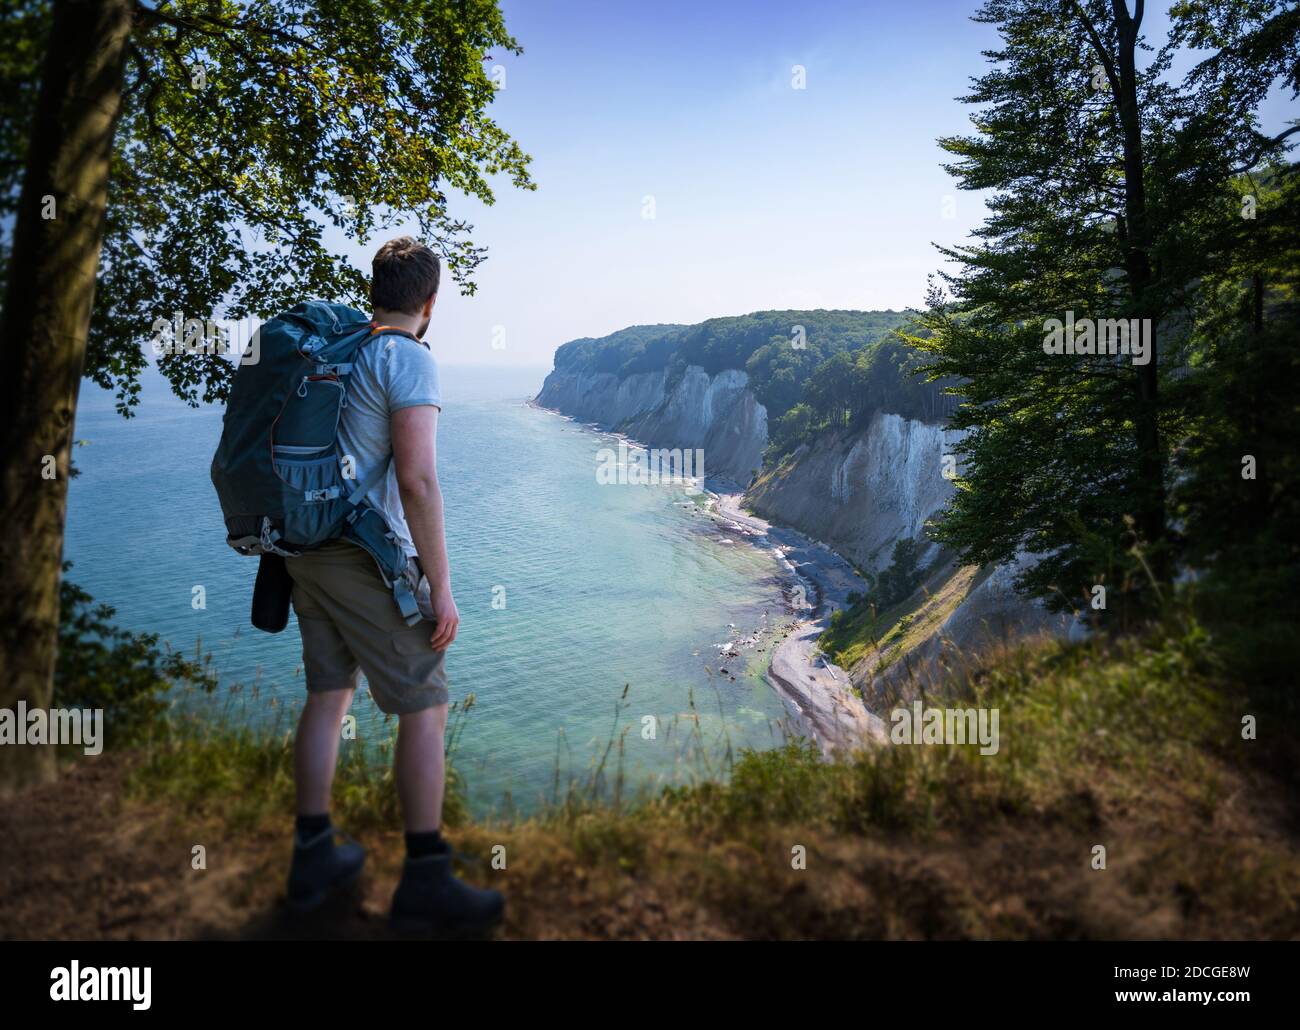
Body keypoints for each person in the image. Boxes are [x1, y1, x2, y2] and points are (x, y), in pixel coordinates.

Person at [283, 236, 502, 935]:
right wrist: (442, 586)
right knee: (425, 705)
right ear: (431, 303)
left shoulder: (336, 349)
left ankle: (312, 853)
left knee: (327, 696)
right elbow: (417, 480)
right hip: (361, 555)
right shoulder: (406, 357)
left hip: (302, 549)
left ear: (375, 289)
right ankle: (425, 877)